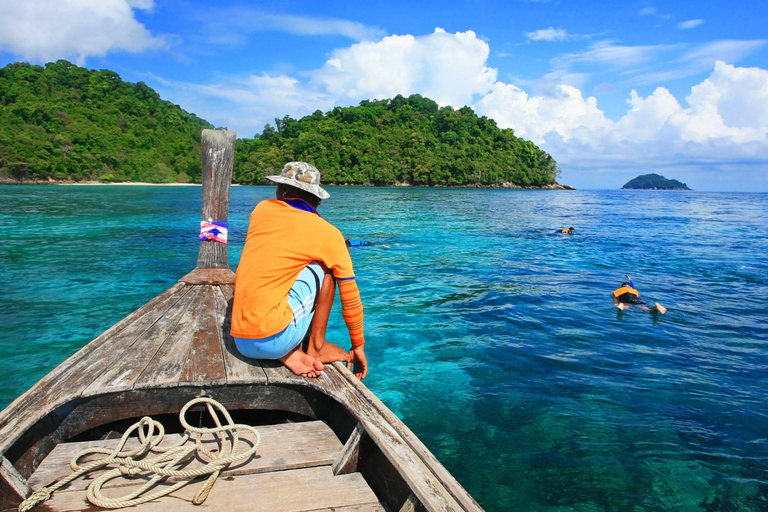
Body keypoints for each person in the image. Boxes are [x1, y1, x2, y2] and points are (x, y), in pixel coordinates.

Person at [230, 161, 368, 380]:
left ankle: (289, 353)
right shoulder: (328, 234)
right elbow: (350, 295)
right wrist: (358, 345)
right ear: (317, 198)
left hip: (240, 339)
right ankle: (316, 346)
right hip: (273, 337)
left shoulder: (261, 210)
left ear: (281, 190)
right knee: (326, 267)